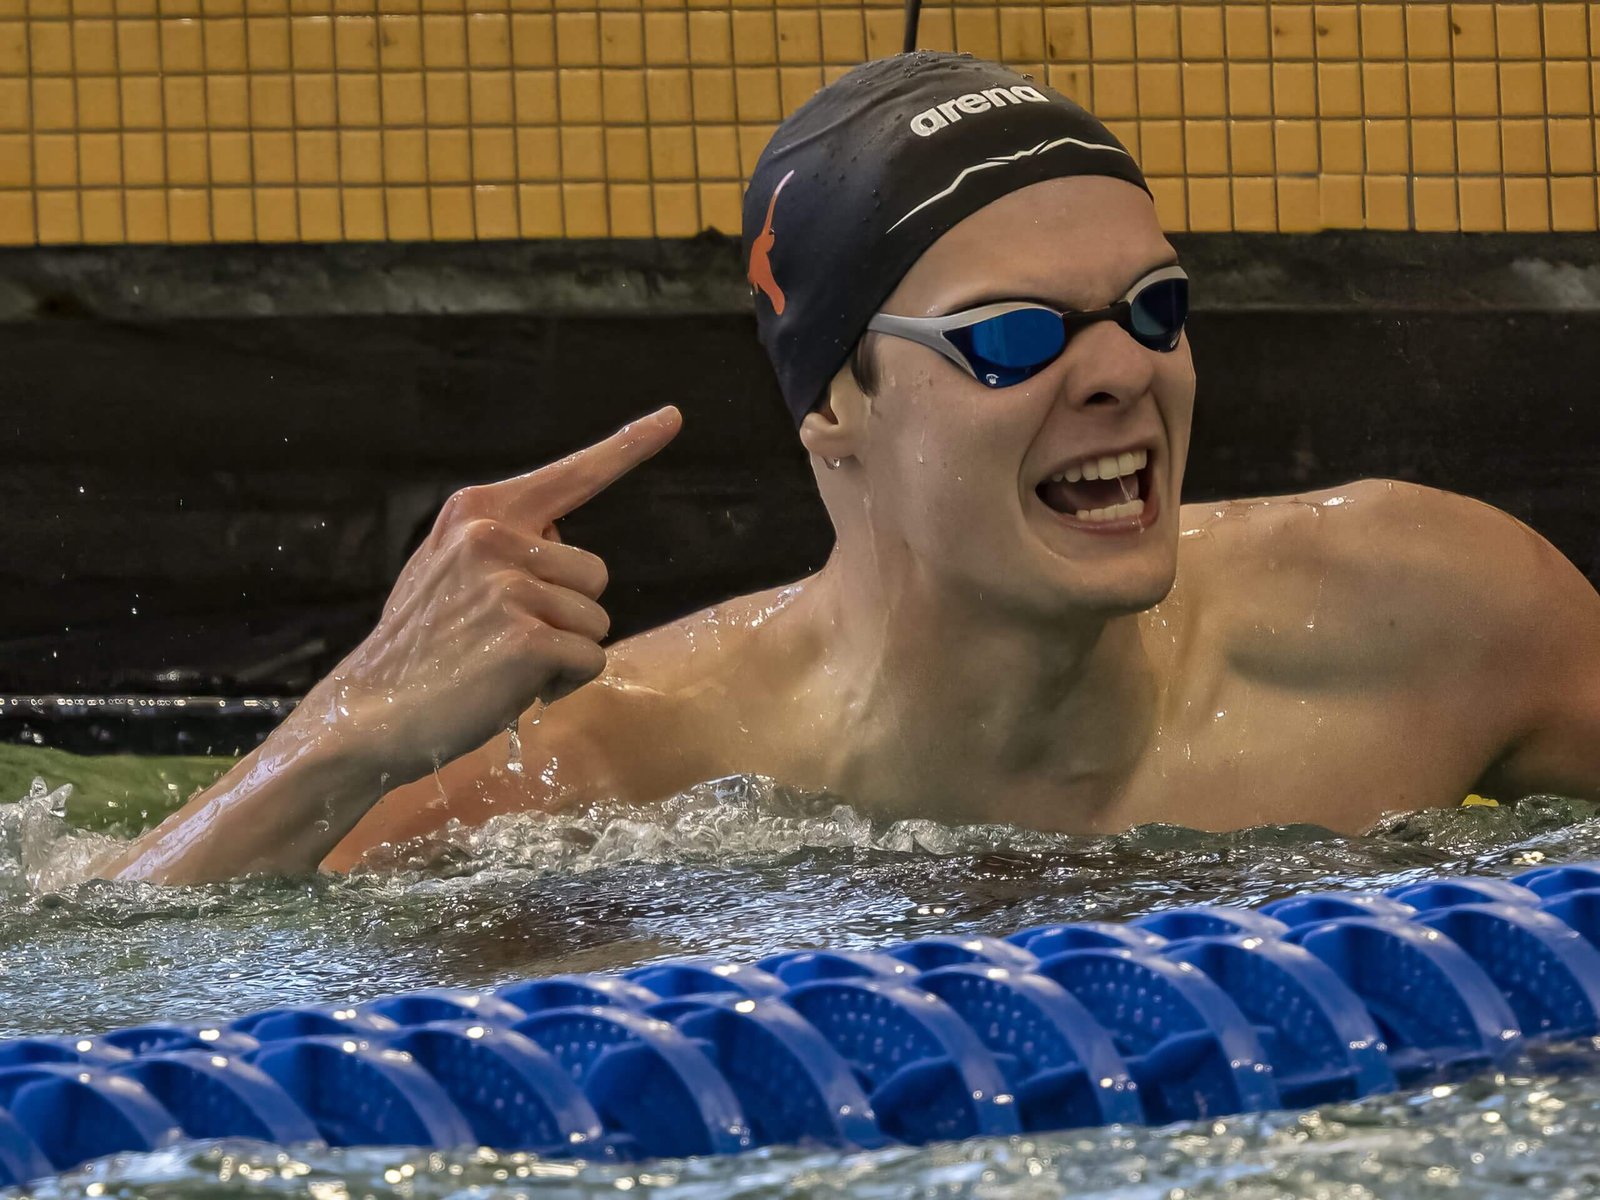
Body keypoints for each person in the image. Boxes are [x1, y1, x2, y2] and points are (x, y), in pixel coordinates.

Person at [101, 53, 1600, 884]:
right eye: (1012, 337)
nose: (1119, 371)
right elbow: (90, 974)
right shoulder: (624, 774)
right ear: (835, 406)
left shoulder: (1429, 616)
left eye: (1154, 308)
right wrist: (348, 731)